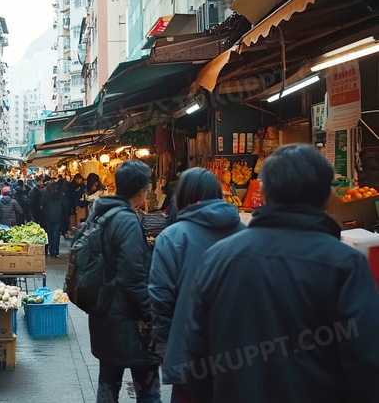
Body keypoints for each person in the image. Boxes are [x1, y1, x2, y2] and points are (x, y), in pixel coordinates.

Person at [180, 144, 379, 403]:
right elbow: (365, 363)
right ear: (327, 196)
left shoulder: (218, 258)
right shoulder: (344, 264)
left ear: (263, 194)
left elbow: (195, 356)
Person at [148, 168, 245, 403]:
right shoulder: (247, 235)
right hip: (244, 352)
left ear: (182, 197)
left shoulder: (172, 238)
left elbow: (160, 299)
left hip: (189, 356)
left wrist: (171, 338)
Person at [88, 160, 160, 403]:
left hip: (103, 315)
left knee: (107, 387)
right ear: (142, 191)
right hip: (129, 322)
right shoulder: (127, 221)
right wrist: (148, 316)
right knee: (148, 390)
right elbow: (132, 276)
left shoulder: (100, 214)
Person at [40, 180, 68, 258]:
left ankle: (51, 249)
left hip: (48, 216)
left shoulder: (46, 195)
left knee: (50, 233)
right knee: (56, 233)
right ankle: (55, 250)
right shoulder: (62, 195)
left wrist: (45, 214)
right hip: (58, 216)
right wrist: (65, 217)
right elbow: (64, 206)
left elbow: (43, 205)